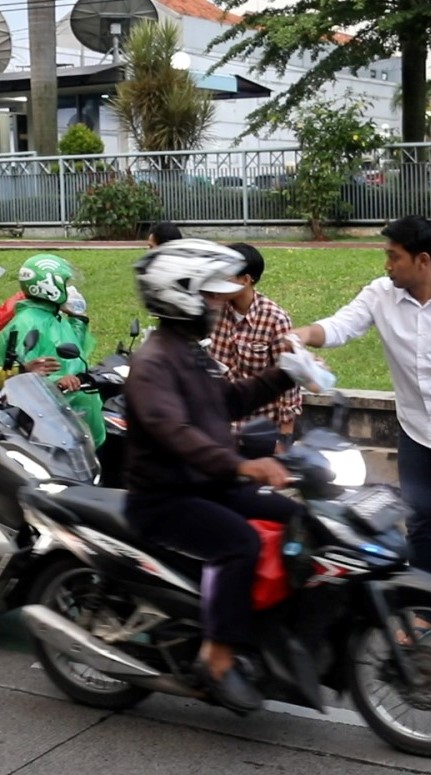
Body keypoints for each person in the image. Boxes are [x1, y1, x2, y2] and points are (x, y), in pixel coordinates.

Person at [291, 215, 431, 637]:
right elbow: (341, 326)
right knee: (418, 520)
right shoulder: (380, 295)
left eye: (394, 257)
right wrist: (302, 334)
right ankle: (424, 611)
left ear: (423, 260)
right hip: (414, 428)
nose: (387, 265)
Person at [124, 239, 307, 715]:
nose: (219, 302)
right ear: (180, 295)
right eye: (209, 294)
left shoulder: (190, 352)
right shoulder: (153, 363)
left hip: (208, 483)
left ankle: (271, 626)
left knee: (295, 516)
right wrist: (242, 465)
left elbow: (226, 402)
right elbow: (176, 432)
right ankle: (218, 658)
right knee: (238, 543)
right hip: (165, 498)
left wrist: (288, 373)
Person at [0, 254, 106, 448]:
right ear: (49, 286)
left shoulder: (51, 316)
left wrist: (78, 319)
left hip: (70, 405)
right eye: (65, 284)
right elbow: (25, 378)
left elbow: (74, 350)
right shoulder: (28, 322)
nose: (69, 290)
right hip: (51, 420)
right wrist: (57, 381)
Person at [207, 243, 302, 449]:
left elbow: (290, 380)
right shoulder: (213, 313)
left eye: (226, 276)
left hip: (259, 432)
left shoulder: (275, 319)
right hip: (219, 429)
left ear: (246, 280)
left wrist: (284, 438)